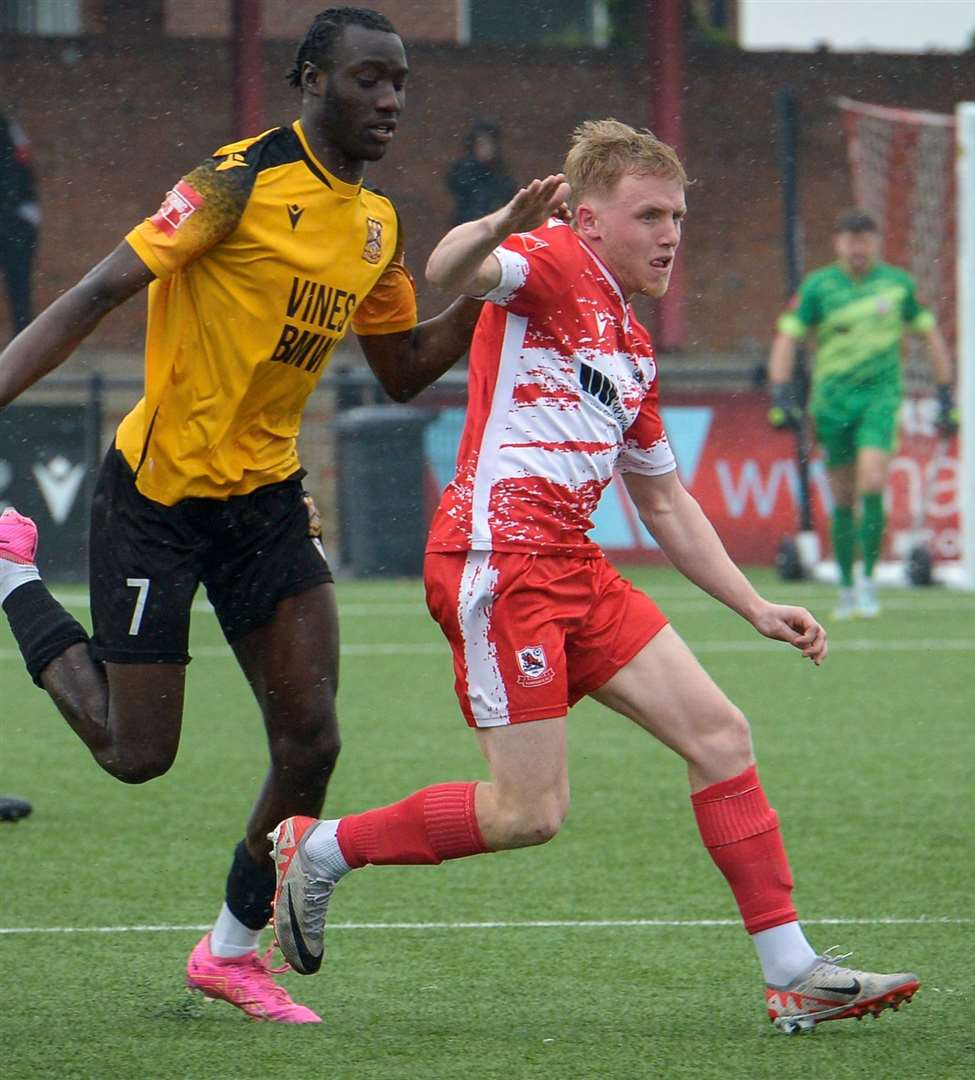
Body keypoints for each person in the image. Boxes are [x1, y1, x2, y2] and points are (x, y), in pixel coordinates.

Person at [269, 119, 920, 1035]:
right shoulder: (549, 260)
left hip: (575, 567)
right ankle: (323, 849)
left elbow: (665, 505)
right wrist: (503, 220)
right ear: (588, 218)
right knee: (529, 814)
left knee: (722, 736)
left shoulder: (634, 347)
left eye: (679, 217)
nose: (670, 235)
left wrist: (755, 605)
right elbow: (451, 269)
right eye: (649, 214)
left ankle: (794, 973)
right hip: (499, 563)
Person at [0, 7, 483, 1024]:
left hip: (264, 503)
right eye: (368, 79)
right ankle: (11, 571)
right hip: (159, 499)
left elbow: (400, 371)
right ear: (313, 79)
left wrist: (496, 279)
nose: (390, 99)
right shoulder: (233, 180)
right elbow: (94, 293)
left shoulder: (378, 224)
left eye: (400, 82)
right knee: (138, 757)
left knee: (311, 740)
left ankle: (229, 949)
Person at [767, 209, 954, 619]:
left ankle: (869, 581)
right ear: (838, 243)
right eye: (851, 240)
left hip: (879, 399)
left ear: (876, 243)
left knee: (872, 481)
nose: (858, 248)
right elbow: (787, 337)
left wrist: (945, 393)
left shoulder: (898, 284)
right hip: (831, 403)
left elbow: (930, 336)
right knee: (843, 499)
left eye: (865, 239)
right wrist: (780, 393)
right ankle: (847, 587)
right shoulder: (818, 287)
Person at [0, 109, 40, 338]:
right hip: (18, 220)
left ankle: (22, 349)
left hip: (15, 221)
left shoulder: (5, 127)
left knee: (19, 291)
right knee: (20, 292)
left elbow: (16, 176)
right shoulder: (8, 126)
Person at [446, 119, 518, 226]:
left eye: (489, 144)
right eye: (481, 144)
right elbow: (458, 187)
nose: (485, 148)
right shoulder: (464, 170)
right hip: (468, 225)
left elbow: (508, 194)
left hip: (494, 226)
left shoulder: (500, 173)